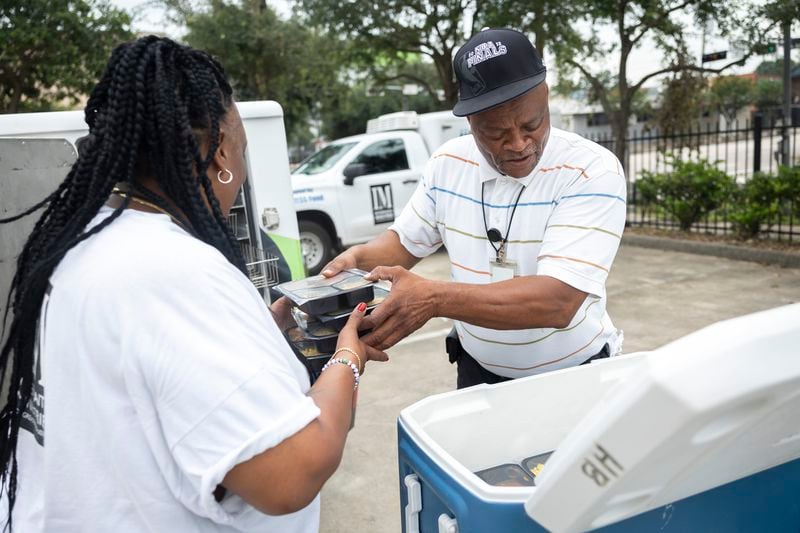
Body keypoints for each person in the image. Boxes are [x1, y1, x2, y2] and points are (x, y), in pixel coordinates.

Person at [0, 36, 386, 532]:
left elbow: (152, 389)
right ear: (222, 154)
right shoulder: (172, 271)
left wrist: (263, 333)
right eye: (242, 149)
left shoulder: (86, 242)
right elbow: (292, 474)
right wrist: (346, 359)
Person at [323, 28, 626, 389]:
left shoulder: (590, 169)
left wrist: (433, 298)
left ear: (546, 97)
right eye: (495, 133)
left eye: (533, 124)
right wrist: (355, 263)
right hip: (476, 373)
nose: (518, 144)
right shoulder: (447, 163)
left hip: (574, 377)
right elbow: (400, 246)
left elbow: (558, 301)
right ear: (470, 122)